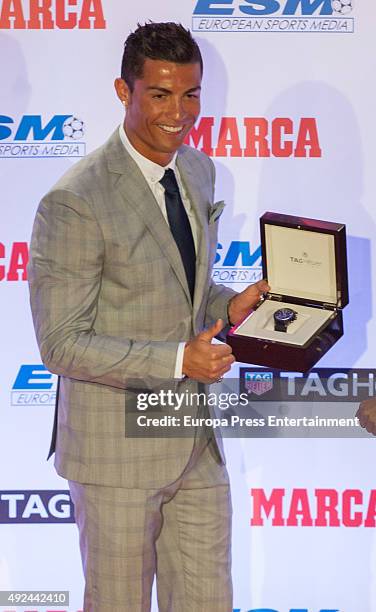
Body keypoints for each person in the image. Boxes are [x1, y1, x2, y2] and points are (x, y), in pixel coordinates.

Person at [28, 22, 268, 612]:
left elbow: (184, 289)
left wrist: (227, 304)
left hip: (192, 439)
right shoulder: (76, 200)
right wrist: (178, 359)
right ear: (123, 91)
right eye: (160, 94)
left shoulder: (199, 171)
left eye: (190, 95)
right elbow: (61, 344)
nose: (178, 112)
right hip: (114, 452)